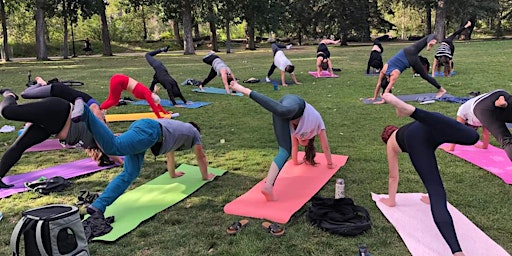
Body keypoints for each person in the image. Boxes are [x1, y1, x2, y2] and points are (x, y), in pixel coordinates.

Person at [71, 98, 215, 215]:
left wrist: (173, 173)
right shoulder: (194, 133)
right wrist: (205, 176)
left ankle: (98, 206)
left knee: (130, 173)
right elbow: (201, 157)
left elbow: (169, 154)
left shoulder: (178, 131)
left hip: (146, 129)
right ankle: (87, 112)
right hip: (150, 132)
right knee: (113, 147)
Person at [379, 93, 479, 256]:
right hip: (428, 122)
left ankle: (457, 252)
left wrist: (391, 200)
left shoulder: (391, 143)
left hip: (417, 140)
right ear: (394, 129)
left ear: (386, 137)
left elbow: (393, 176)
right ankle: (412, 111)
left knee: (436, 191)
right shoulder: (405, 128)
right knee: (472, 137)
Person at [229, 81, 334, 201]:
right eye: (303, 142)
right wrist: (330, 163)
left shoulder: (297, 134)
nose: (300, 142)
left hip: (284, 114)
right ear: (310, 140)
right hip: (296, 103)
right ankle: (243, 89)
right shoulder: (317, 126)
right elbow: (325, 146)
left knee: (284, 151)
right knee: (283, 111)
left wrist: (295, 161)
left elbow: (293, 149)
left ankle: (268, 186)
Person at [0, 90, 115, 188]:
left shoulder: (93, 146)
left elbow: (107, 150)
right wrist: (121, 161)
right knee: (7, 112)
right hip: (58, 111)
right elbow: (111, 148)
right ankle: (10, 95)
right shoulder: (102, 130)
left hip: (51, 127)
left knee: (20, 146)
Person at [370, 34, 447, 104]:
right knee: (428, 37)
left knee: (425, 76)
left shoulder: (394, 74)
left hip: (411, 59)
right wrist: (374, 97)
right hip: (407, 50)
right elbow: (379, 84)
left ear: (387, 79)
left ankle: (441, 89)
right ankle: (430, 41)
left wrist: (382, 100)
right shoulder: (384, 69)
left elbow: (386, 89)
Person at [447, 89, 512, 161]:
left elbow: (457, 130)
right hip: (499, 94)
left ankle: (499, 102)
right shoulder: (480, 118)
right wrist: (484, 146)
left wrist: (451, 147)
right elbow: (485, 133)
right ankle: (499, 102)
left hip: (482, 105)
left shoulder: (462, 111)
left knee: (506, 140)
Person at [100, 74, 169, 118]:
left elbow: (156, 104)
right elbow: (153, 105)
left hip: (118, 80)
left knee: (112, 100)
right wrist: (159, 116)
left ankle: (101, 109)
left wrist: (165, 112)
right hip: (119, 81)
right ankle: (100, 109)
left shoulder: (149, 94)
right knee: (113, 101)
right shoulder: (147, 94)